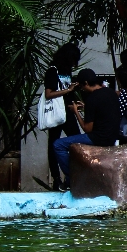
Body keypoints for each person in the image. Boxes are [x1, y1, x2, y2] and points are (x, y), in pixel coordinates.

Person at [52, 68, 123, 189]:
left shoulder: (92, 99)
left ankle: (72, 177)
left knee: (58, 144)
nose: (82, 89)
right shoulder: (110, 92)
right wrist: (85, 108)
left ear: (85, 83)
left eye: (81, 86)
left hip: (98, 138)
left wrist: (76, 112)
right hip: (113, 136)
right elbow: (103, 111)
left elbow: (87, 129)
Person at [43, 44, 81, 191]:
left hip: (68, 111)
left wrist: (73, 99)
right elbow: (49, 94)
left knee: (77, 142)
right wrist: (68, 90)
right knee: (53, 144)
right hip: (57, 113)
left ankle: (71, 176)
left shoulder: (67, 71)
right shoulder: (53, 71)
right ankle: (56, 179)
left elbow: (67, 93)